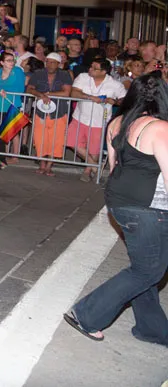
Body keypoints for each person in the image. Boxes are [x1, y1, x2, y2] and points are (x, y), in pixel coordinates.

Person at [64, 73, 168, 346]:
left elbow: (113, 166)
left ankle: (153, 329)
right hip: (147, 208)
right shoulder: (159, 128)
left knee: (148, 265)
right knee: (148, 270)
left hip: (119, 201)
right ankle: (86, 314)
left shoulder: (117, 122)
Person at [69, 58, 126, 182]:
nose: (90, 69)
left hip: (99, 121)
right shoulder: (83, 77)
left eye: (94, 68)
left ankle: (88, 171)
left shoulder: (114, 84)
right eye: (91, 66)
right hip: (80, 117)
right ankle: (96, 167)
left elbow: (125, 100)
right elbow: (74, 93)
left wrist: (114, 101)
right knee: (71, 142)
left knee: (94, 149)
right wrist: (90, 97)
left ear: (104, 71)